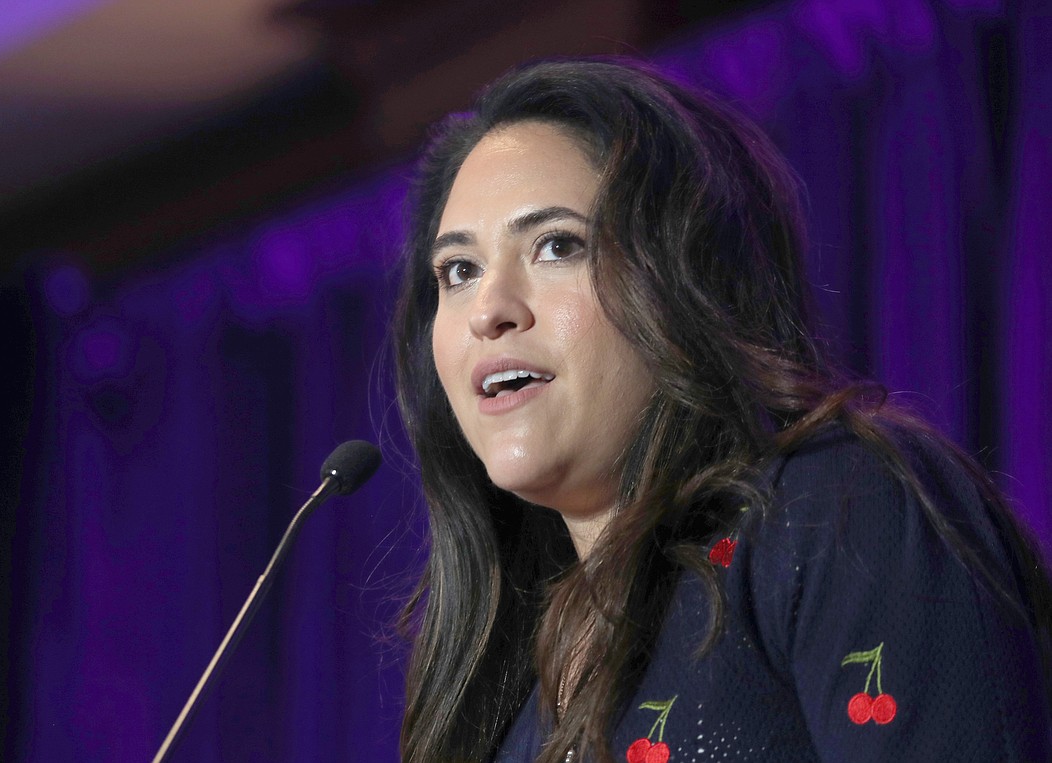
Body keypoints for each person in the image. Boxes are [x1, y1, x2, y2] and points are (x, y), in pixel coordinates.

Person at [391, 58, 1052, 762]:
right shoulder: (506, 687)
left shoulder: (839, 511)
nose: (488, 310)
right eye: (458, 271)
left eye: (557, 245)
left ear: (686, 280)